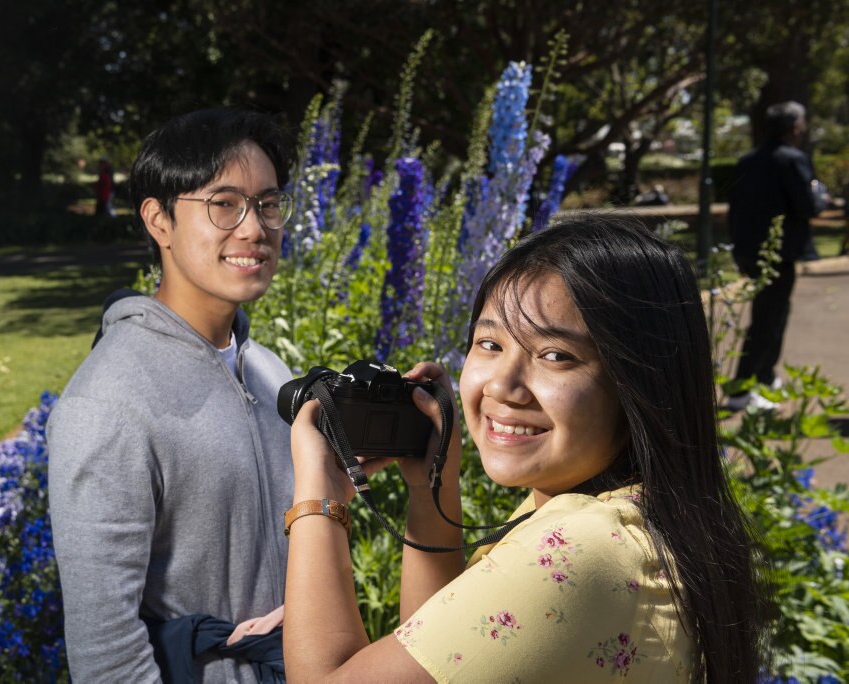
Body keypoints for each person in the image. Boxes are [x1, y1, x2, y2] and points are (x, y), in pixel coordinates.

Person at [283, 217, 766, 681]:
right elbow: (439, 653)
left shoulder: (583, 549)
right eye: (489, 343)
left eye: (555, 356)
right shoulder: (616, 513)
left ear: (640, 385)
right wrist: (432, 484)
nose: (503, 386)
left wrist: (319, 498)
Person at [48, 108, 296, 682]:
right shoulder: (107, 405)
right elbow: (107, 660)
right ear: (159, 221)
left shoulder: (268, 370)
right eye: (224, 203)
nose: (255, 228)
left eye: (267, 203)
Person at [727, 101, 823, 411]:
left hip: (750, 250)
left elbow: (735, 210)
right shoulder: (792, 160)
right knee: (768, 318)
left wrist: (739, 250)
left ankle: (765, 377)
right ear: (795, 127)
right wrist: (821, 198)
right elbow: (808, 206)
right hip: (779, 252)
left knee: (775, 313)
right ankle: (741, 389)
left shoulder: (747, 160)